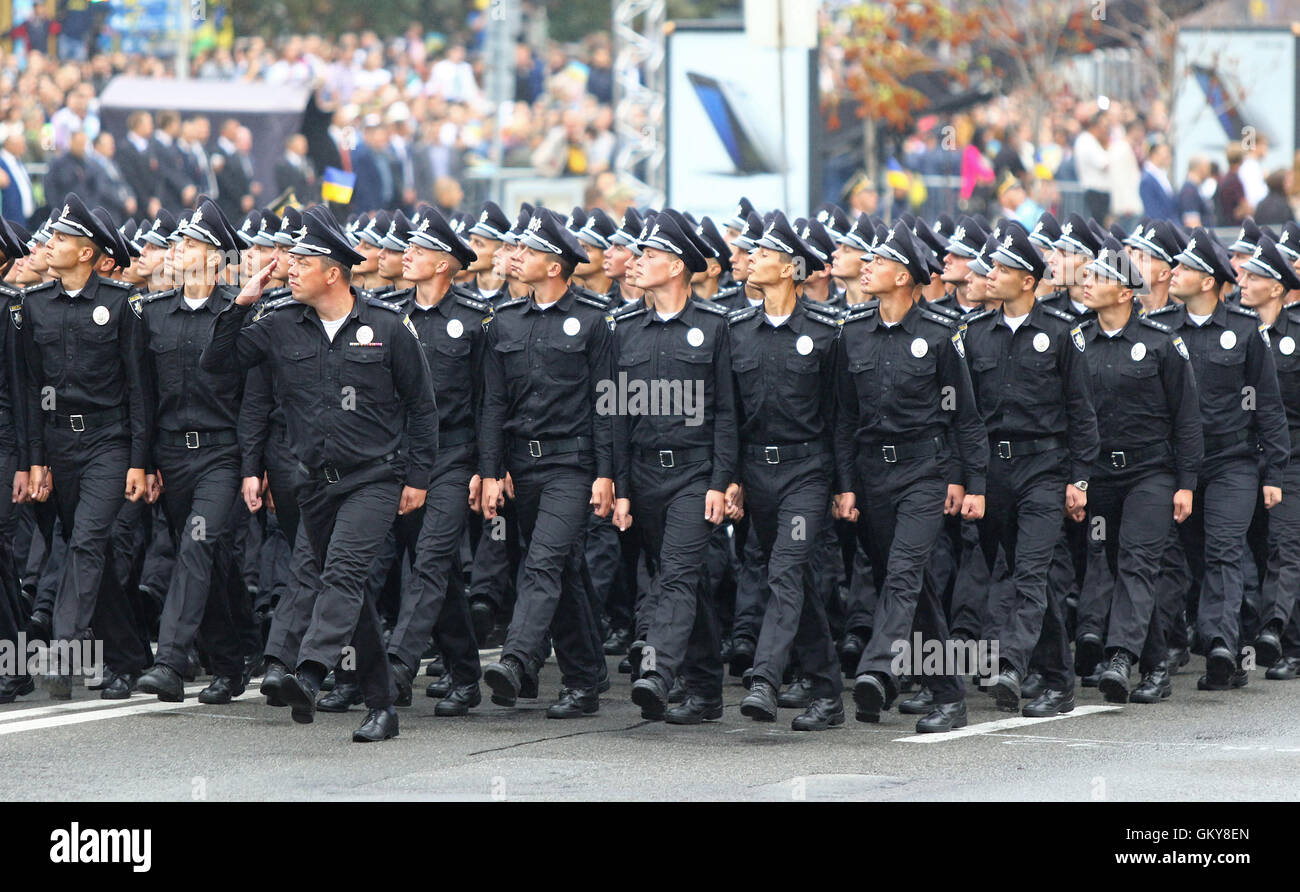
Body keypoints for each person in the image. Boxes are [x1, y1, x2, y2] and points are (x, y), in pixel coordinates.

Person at [202, 207, 438, 743]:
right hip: (314, 481)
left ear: (333, 271)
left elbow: (422, 408)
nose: (289, 266)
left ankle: (307, 672)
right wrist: (242, 304)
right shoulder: (281, 323)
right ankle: (382, 705)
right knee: (346, 592)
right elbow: (217, 366)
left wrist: (418, 477)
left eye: (302, 260)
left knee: (344, 575)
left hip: (375, 477)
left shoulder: (384, 327)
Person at [833, 222, 988, 733]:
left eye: (878, 261)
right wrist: (847, 483)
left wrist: (972, 482)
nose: (868, 267)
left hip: (925, 471)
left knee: (903, 572)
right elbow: (843, 419)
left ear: (903, 276)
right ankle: (948, 694)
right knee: (907, 584)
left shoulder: (940, 336)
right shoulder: (852, 333)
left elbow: (966, 418)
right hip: (873, 472)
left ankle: (879, 669)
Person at [478, 208, 614, 719]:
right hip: (521, 467)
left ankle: (518, 660)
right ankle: (585, 678)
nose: (518, 257)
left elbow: (608, 405)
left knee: (542, 564)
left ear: (555, 266)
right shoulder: (505, 322)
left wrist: (606, 474)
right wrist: (491, 471)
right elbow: (492, 404)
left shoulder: (595, 321)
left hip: (572, 466)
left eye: (530, 252)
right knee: (565, 570)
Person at [18, 194, 153, 698]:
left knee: (90, 542)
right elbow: (30, 389)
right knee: (83, 551)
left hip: (108, 440)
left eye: (60, 239)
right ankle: (128, 657)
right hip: (57, 443)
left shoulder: (121, 304)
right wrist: (36, 460)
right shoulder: (33, 306)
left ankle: (65, 645)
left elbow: (140, 389)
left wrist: (141, 461)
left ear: (87, 253)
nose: (49, 246)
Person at [962, 223, 1098, 711]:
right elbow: (966, 418)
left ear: (1027, 280)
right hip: (993, 471)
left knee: (1032, 572)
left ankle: (1013, 665)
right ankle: (1059, 679)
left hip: (1044, 467)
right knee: (1021, 570)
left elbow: (1082, 413)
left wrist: (1079, 478)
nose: (991, 275)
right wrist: (969, 480)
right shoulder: (974, 335)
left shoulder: (1062, 335)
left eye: (1002, 269)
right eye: (992, 267)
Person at [612, 209, 737, 724]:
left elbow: (729, 413)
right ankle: (706, 692)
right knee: (678, 577)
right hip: (643, 475)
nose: (639, 263)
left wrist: (720, 480)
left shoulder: (712, 327)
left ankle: (658, 671)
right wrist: (618, 486)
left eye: (651, 256)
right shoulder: (624, 329)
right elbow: (614, 414)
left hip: (692, 474)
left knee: (679, 575)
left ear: (679, 267)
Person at [1150, 229, 1289, 690]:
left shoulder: (1245, 330)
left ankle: (1221, 646)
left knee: (1225, 550)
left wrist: (1274, 471)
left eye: (1186, 268)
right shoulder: (1164, 328)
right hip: (1179, 466)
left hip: (1233, 462)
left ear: (1209, 281)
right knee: (1188, 557)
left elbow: (1268, 405)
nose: (1176, 273)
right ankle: (1205, 633)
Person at [1068, 236, 1202, 707]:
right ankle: (1158, 663)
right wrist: (1078, 478)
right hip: (1099, 473)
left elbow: (1187, 420)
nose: (1088, 281)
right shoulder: (1075, 341)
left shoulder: (1162, 346)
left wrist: (1186, 484)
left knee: (1137, 561)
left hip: (1151, 474)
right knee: (1105, 560)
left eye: (1102, 277)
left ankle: (1121, 655)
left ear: (1126, 293)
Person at [723, 210, 844, 729]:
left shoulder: (824, 332)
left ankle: (766, 679)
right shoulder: (737, 332)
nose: (753, 260)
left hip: (807, 473)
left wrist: (845, 487)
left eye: (767, 255)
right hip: (757, 473)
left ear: (792, 269)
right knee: (798, 582)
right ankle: (828, 691)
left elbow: (841, 418)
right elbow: (728, 417)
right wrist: (727, 480)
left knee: (786, 571)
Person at [132, 199, 249, 704]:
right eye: (179, 242)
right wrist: (145, 460)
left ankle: (170, 660)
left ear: (219, 257)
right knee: (210, 558)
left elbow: (256, 398)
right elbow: (142, 397)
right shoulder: (154, 314)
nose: (180, 250)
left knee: (196, 547)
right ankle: (233, 658)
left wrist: (256, 465)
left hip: (223, 453)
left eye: (193, 243)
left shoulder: (239, 313)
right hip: (172, 455)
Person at [1237, 235, 1300, 677]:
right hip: (1243, 455)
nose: (1243, 280)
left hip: (1293, 455)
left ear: (1277, 287)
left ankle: (1280, 633)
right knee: (1248, 548)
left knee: (1284, 545)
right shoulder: (1236, 330)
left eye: (1255, 276)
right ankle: (1248, 631)